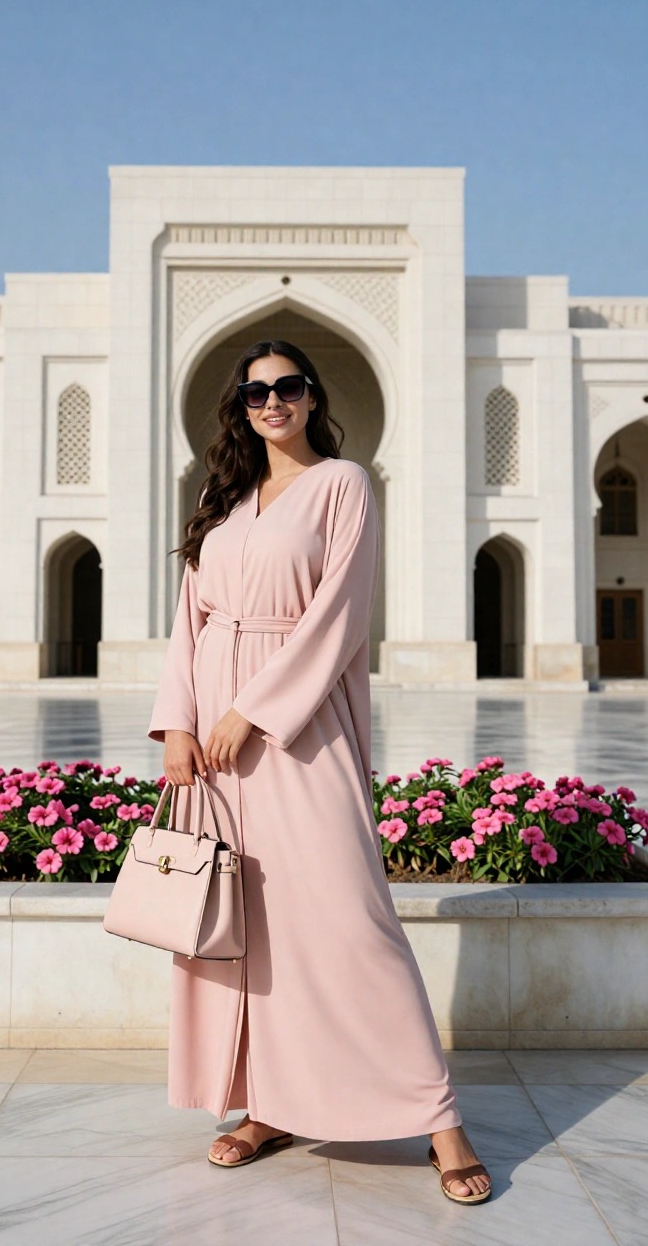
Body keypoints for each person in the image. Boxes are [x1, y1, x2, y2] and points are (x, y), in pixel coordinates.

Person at [147, 339, 491, 1204]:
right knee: (248, 928)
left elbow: (338, 617)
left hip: (295, 732)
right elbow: (190, 619)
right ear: (241, 405)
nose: (272, 402)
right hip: (213, 748)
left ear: (310, 398)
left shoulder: (343, 485)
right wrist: (177, 724)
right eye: (256, 390)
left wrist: (250, 711)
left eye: (287, 387)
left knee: (352, 920)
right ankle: (270, 1105)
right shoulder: (221, 498)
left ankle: (440, 1120)